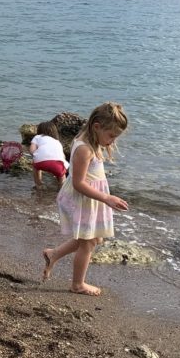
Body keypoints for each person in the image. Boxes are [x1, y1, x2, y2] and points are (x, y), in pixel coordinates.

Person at [41, 103, 129, 296]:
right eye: (112, 136)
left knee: (92, 239)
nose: (112, 141)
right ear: (96, 127)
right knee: (87, 243)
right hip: (82, 198)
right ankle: (77, 284)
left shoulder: (92, 141)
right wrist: (106, 197)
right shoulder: (85, 149)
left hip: (89, 198)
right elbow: (79, 183)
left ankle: (53, 254)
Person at [30, 120, 68, 188]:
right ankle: (62, 188)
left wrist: (35, 156)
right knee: (61, 176)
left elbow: (32, 150)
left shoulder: (37, 137)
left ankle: (38, 184)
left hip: (40, 162)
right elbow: (63, 156)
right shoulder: (57, 141)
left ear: (39, 131)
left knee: (35, 167)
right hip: (58, 163)